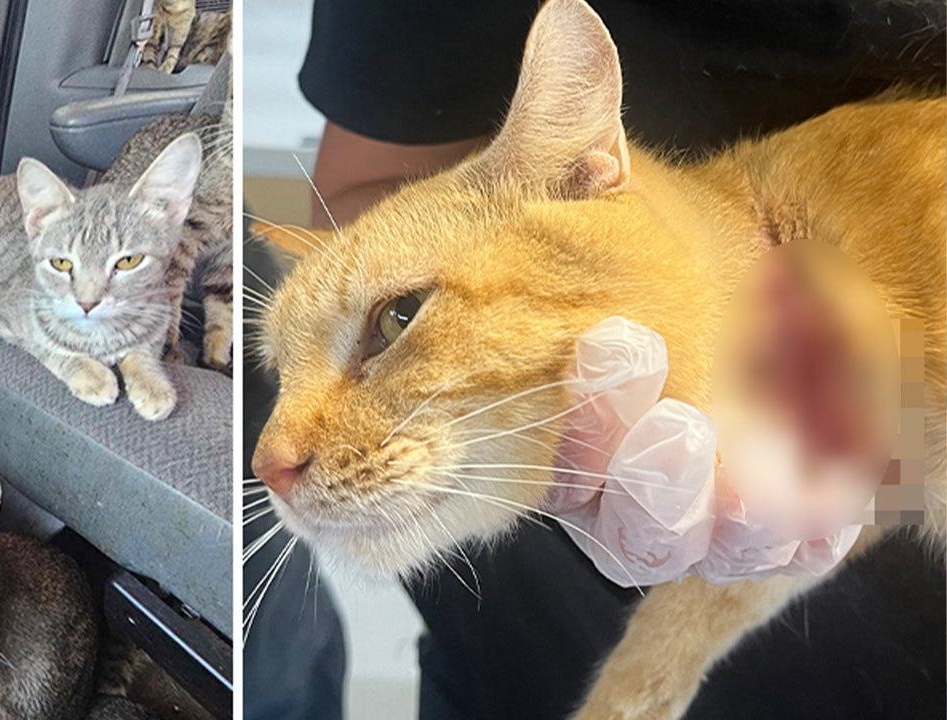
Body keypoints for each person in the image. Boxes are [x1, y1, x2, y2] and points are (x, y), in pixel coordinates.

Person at [246, 1, 945, 718]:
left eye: (398, 318)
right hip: (522, 637)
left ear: (581, 178)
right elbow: (352, 191)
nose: (275, 454)